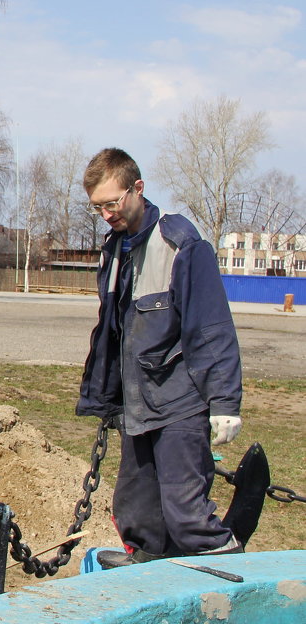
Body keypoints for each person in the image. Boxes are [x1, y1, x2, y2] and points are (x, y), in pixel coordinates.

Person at [77, 148, 244, 569]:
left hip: (180, 403)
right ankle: (148, 571)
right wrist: (108, 397)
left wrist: (224, 404)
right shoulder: (115, 248)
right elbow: (115, 331)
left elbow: (211, 327)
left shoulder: (181, 243)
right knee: (137, 513)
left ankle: (227, 577)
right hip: (139, 404)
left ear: (138, 188)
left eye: (112, 203)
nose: (106, 215)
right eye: (97, 207)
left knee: (187, 515)